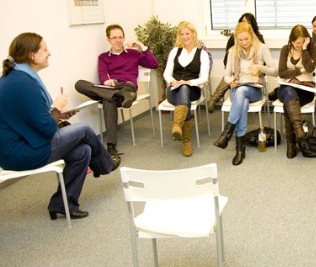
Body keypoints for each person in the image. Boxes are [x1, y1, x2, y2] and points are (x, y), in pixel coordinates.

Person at [0, 33, 119, 221]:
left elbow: (29, 120)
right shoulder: (24, 82)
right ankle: (105, 165)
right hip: (23, 152)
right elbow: (46, 129)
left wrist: (59, 116)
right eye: (45, 49)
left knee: (83, 150)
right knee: (86, 130)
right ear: (32, 56)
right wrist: (57, 107)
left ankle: (62, 205)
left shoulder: (15, 77)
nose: (50, 53)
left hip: (18, 147)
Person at [75, 24, 158, 160]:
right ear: (109, 40)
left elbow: (154, 64)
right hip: (112, 89)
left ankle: (111, 147)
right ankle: (124, 96)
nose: (118, 40)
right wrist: (107, 82)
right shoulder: (103, 57)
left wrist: (141, 46)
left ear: (124, 38)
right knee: (80, 84)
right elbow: (102, 75)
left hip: (127, 86)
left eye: (120, 37)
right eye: (114, 38)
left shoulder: (133, 53)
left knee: (109, 100)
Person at [213, 21, 277, 165]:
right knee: (242, 101)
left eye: (246, 39)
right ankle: (239, 149)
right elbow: (227, 75)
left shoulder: (261, 48)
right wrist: (231, 82)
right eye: (240, 40)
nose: (243, 42)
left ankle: (227, 134)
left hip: (255, 89)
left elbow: (275, 71)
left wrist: (261, 68)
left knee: (242, 93)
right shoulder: (232, 51)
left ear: (252, 36)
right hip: (238, 88)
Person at [162, 21, 210, 157]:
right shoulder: (174, 51)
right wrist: (172, 81)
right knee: (183, 93)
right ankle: (186, 141)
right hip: (173, 91)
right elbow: (166, 73)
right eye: (182, 34)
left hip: (193, 89)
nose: (185, 37)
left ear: (193, 35)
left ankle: (177, 124)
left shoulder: (202, 54)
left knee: (185, 88)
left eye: (187, 33)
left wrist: (188, 82)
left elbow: (204, 77)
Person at [208, 13, 265, 112]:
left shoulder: (259, 38)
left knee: (238, 81)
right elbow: (227, 57)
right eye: (243, 21)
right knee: (230, 77)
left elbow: (263, 62)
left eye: (248, 22)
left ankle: (231, 122)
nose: (245, 24)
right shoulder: (234, 37)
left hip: (253, 73)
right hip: (236, 70)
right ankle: (214, 99)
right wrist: (233, 71)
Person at [277, 24, 316, 158]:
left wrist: (305, 49)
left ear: (306, 39)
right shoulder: (285, 49)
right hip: (286, 88)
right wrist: (298, 72)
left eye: (300, 42)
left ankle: (291, 143)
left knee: (289, 104)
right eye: (294, 42)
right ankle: (298, 131)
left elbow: (310, 67)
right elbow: (282, 72)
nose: (296, 45)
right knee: (289, 92)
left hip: (305, 90)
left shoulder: (313, 49)